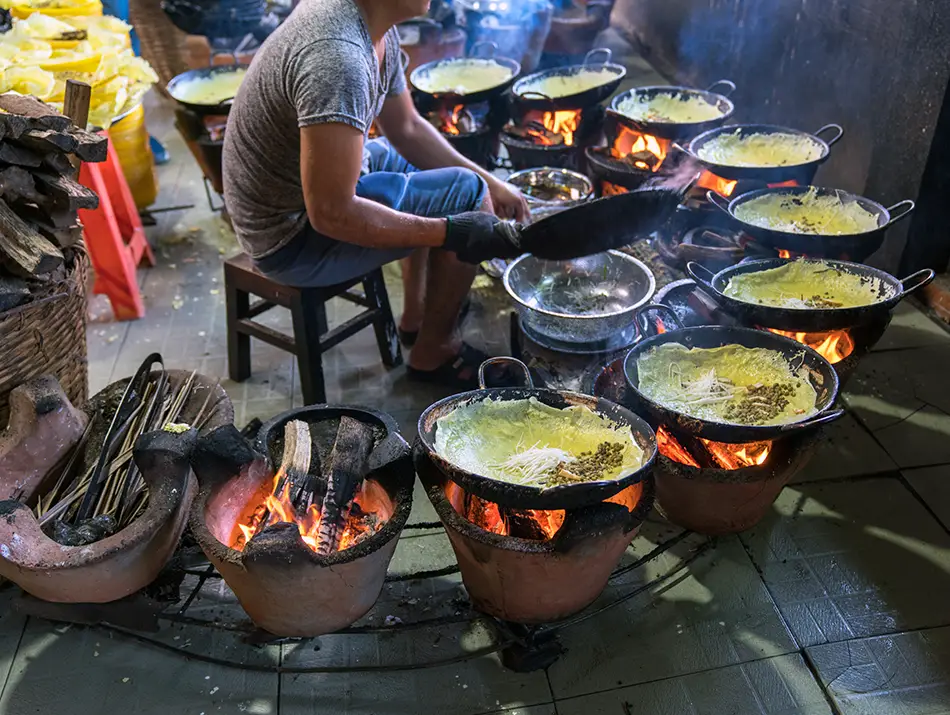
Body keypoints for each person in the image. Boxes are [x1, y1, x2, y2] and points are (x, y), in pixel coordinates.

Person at [223, 0, 529, 389]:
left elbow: (407, 130)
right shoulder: (339, 57)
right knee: (466, 197)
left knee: (460, 182)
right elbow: (331, 213)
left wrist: (492, 181)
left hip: (297, 202)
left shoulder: (373, 22)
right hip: (288, 239)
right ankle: (434, 350)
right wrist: (451, 231)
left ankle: (417, 317)